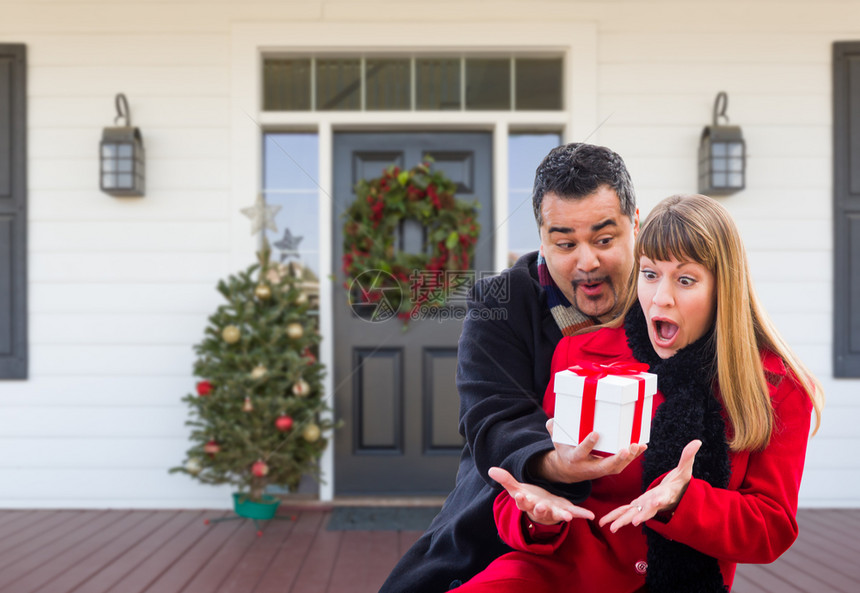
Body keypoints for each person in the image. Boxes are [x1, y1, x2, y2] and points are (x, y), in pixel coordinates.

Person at [455, 193, 824, 593]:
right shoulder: (581, 354)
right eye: (649, 274)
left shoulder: (776, 387)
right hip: (557, 575)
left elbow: (770, 528)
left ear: (724, 289)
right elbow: (516, 498)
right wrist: (536, 518)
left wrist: (683, 501)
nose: (660, 298)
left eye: (685, 280)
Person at [380, 143, 642, 593]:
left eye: (604, 239)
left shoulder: (665, 299)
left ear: (634, 224)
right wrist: (554, 463)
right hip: (508, 525)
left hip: (629, 540)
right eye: (565, 243)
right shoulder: (501, 302)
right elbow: (492, 418)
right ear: (542, 239)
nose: (587, 261)